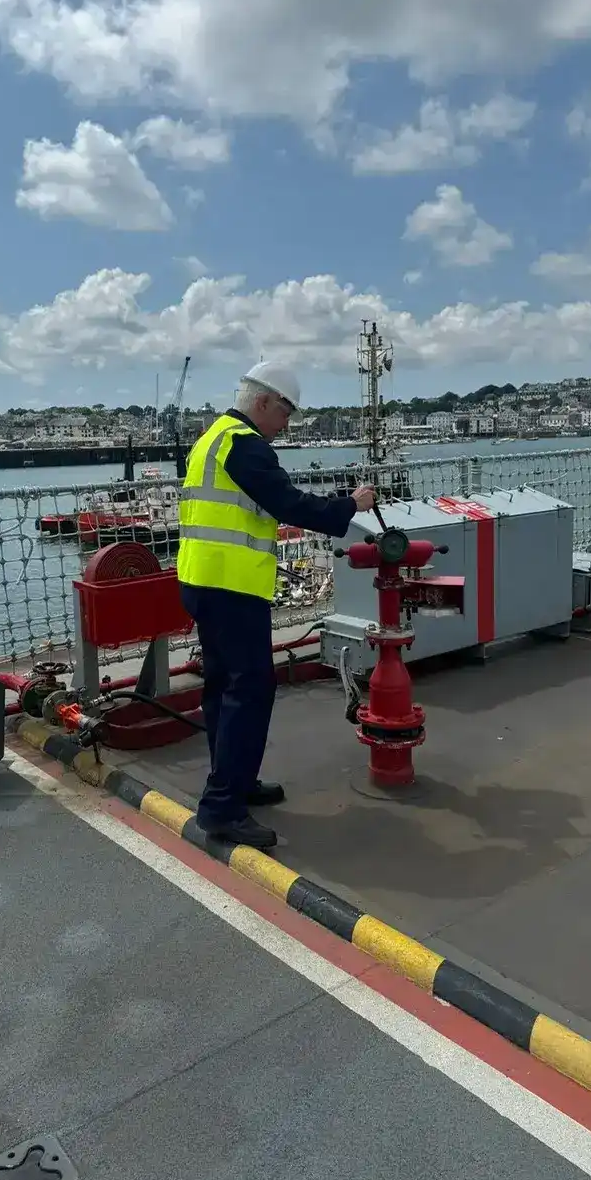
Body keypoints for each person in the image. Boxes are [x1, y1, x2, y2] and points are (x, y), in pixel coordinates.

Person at [177, 361, 376, 849]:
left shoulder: (214, 438)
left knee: (223, 688)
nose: (286, 425)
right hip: (232, 588)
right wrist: (351, 504)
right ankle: (223, 808)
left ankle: (233, 786)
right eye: (285, 413)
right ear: (263, 401)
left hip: (203, 580)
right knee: (250, 691)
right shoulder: (245, 445)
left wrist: (330, 500)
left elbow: (266, 501)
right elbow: (289, 505)